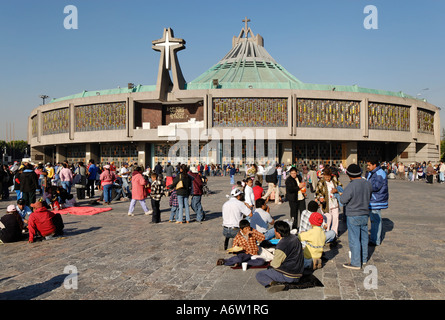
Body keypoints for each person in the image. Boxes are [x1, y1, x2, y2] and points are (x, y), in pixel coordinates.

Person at [255, 220, 304, 293]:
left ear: (278, 232)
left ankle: (275, 284)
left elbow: (275, 265)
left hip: (289, 276)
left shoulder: (282, 245)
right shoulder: (295, 238)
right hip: (299, 273)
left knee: (260, 274)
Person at [340, 164, 372, 270]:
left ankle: (356, 262)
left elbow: (343, 200)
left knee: (354, 239)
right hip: (365, 214)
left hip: (353, 214)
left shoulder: (351, 185)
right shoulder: (367, 183)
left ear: (349, 175)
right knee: (363, 237)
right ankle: (363, 258)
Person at [366, 159, 389, 246]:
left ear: (374, 165)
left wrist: (365, 185)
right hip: (372, 199)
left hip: (376, 200)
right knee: (373, 220)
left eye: (369, 165)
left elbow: (376, 187)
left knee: (376, 220)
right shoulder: (373, 172)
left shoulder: (379, 173)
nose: (368, 167)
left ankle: (375, 240)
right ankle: (374, 238)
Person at [315, 167, 342, 236]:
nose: (327, 178)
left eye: (329, 177)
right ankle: (327, 233)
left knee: (336, 217)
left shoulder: (334, 179)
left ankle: (334, 233)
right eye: (326, 177)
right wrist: (320, 198)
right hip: (325, 204)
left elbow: (340, 187)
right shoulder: (321, 182)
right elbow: (317, 193)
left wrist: (336, 190)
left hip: (334, 202)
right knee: (328, 218)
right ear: (323, 175)